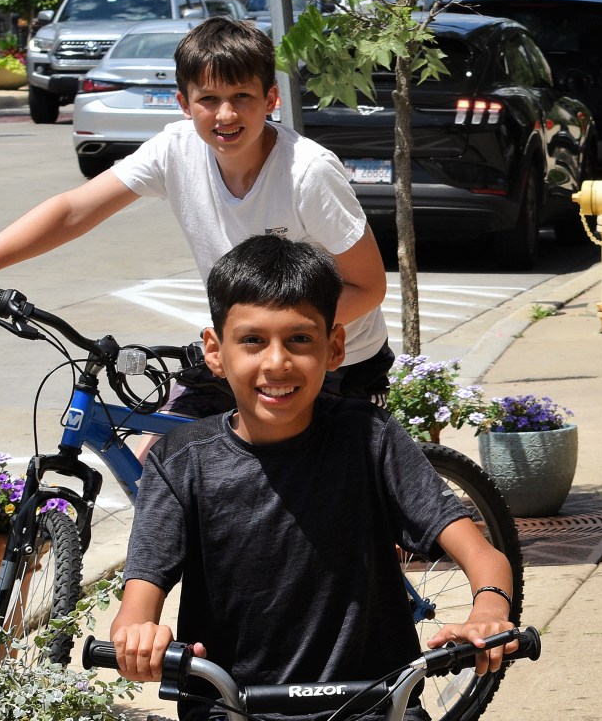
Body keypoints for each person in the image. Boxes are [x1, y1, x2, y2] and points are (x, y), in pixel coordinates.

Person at [109, 235, 515, 720]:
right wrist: (137, 639)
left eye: (299, 339)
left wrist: (489, 609)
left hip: (374, 707)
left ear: (335, 346)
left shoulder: (369, 438)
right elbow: (137, 602)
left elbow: (483, 555)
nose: (277, 362)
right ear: (215, 351)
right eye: (252, 340)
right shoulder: (180, 461)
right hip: (233, 710)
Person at [0, 16, 391, 407]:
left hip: (333, 362)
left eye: (242, 97)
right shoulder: (174, 149)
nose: (226, 114)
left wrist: (267, 338)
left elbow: (368, 287)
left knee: (273, 456)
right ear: (184, 102)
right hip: (239, 352)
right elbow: (74, 210)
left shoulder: (308, 172)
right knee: (160, 450)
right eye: (208, 99)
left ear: (270, 99)